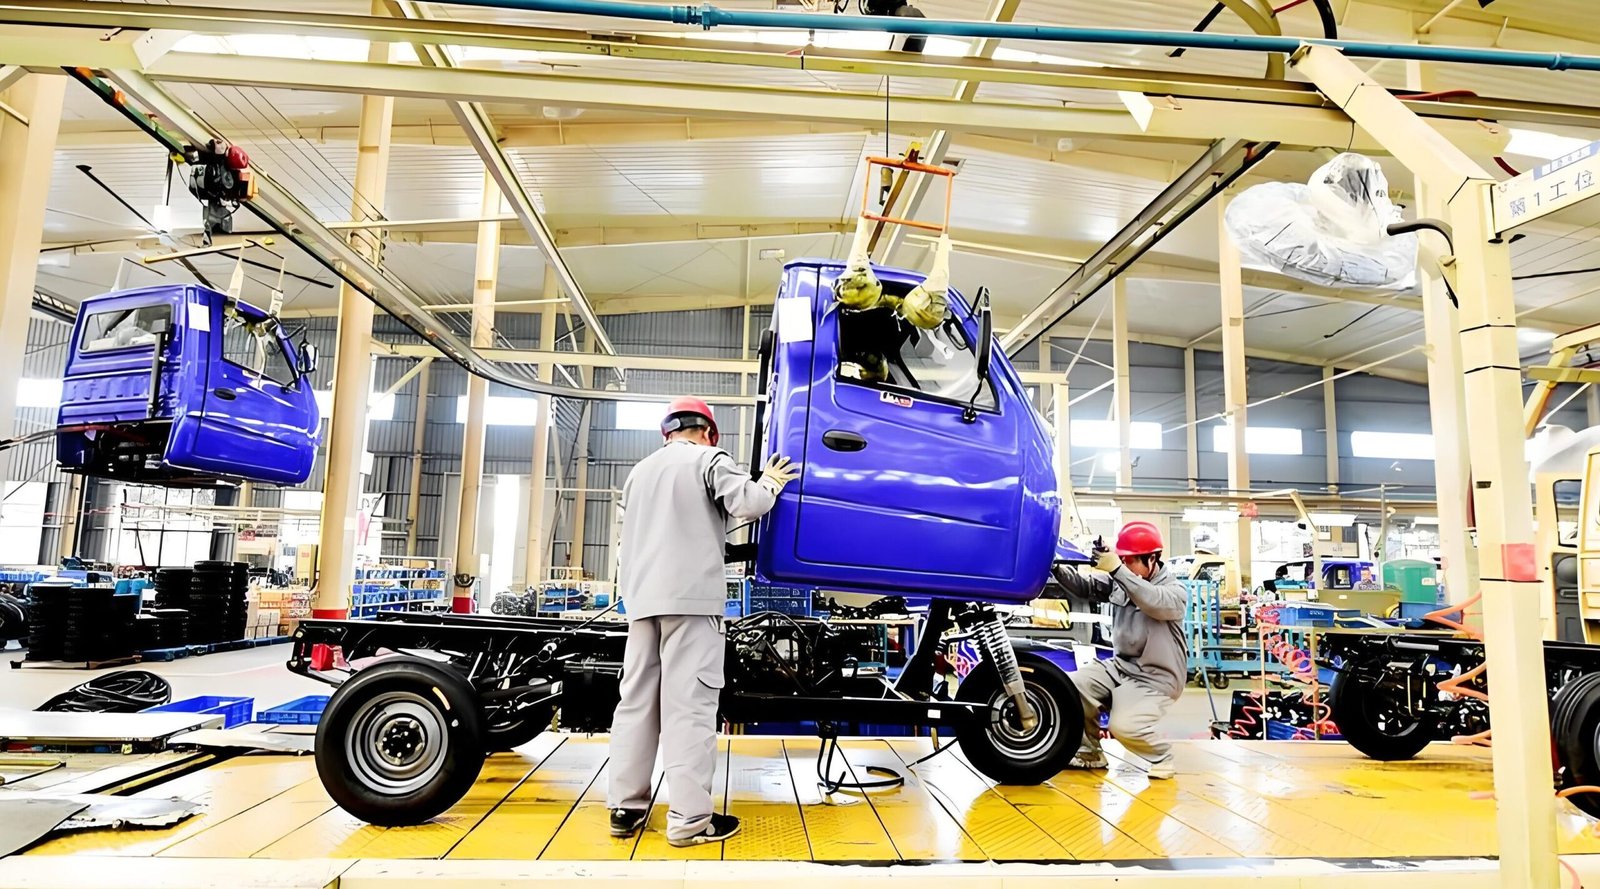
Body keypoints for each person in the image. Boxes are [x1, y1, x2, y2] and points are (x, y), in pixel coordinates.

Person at [606, 397, 800, 846]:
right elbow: (748, 504)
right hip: (691, 604)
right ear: (708, 432)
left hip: (640, 604)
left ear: (666, 433)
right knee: (688, 708)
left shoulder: (640, 472)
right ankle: (690, 822)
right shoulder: (709, 459)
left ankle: (625, 808)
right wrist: (769, 481)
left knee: (635, 705)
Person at [1050, 521, 1188, 779]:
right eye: (1121, 560)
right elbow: (1084, 587)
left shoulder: (1173, 591)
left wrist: (1116, 570)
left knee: (1123, 726)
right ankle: (1089, 752)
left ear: (1152, 559)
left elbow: (1151, 600)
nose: (1124, 566)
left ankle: (1162, 756)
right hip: (1120, 666)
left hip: (1156, 678)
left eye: (1130, 561)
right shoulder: (1122, 580)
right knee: (1072, 686)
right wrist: (1056, 565)